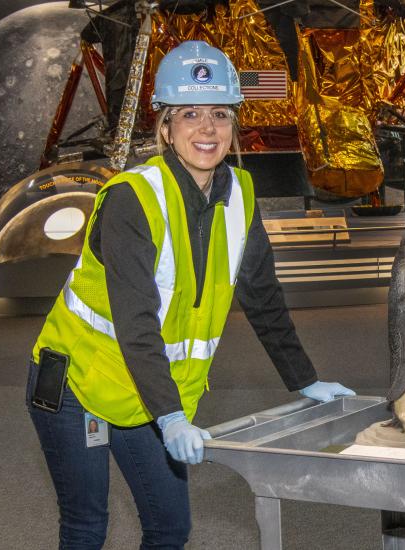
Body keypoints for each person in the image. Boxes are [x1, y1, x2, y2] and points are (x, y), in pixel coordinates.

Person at [26, 40, 355, 549]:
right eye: (190, 113)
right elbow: (136, 320)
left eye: (220, 114)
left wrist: (304, 380)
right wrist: (172, 416)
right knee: (87, 525)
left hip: (150, 391)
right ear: (165, 126)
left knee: (169, 527)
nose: (207, 128)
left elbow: (263, 296)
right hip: (76, 382)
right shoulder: (132, 199)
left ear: (234, 125)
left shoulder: (241, 195)